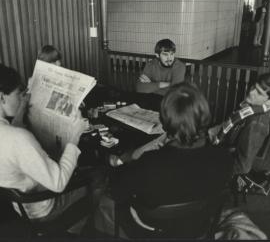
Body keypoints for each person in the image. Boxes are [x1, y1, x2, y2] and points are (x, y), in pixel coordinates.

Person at [95, 82, 233, 237]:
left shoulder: (149, 164)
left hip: (151, 229)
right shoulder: (224, 158)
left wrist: (121, 163)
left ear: (165, 121)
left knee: (103, 198)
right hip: (198, 227)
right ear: (205, 115)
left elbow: (117, 192)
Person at [0, 64, 90, 228]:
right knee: (97, 177)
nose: (21, 98)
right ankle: (77, 229)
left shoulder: (9, 133)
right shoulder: (18, 138)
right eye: (18, 94)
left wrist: (23, 106)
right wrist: (75, 135)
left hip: (15, 204)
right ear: (1, 97)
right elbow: (58, 183)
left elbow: (12, 131)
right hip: (40, 209)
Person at [209, 73, 270, 175]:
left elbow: (243, 167)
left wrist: (215, 171)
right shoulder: (251, 108)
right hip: (229, 152)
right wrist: (215, 130)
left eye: (259, 92)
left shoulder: (257, 123)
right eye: (254, 87)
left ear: (268, 102)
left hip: (239, 170)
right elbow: (233, 125)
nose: (251, 92)